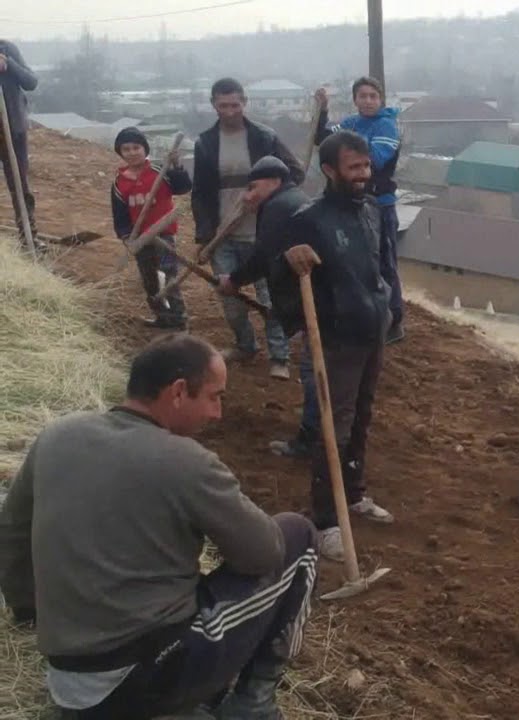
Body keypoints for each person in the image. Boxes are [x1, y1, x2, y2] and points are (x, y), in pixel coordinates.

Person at [0, 333, 319, 719]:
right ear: (179, 392)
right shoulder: (185, 461)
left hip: (69, 682)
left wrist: (28, 609)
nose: (217, 413)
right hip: (138, 683)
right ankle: (253, 703)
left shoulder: (57, 435)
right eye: (214, 396)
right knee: (297, 534)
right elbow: (265, 553)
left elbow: (12, 532)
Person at [274, 130, 396, 561]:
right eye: (354, 168)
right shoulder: (310, 220)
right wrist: (290, 267)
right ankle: (326, 521)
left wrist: (390, 311)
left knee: (361, 420)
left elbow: (383, 267)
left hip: (372, 332)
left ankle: (356, 493)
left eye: (366, 166)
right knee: (333, 430)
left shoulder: (371, 212)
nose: (363, 175)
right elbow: (281, 278)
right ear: (329, 171)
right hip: (337, 340)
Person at [192, 77, 303, 380]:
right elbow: (200, 194)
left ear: (244, 103)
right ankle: (245, 345)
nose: (229, 111)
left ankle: (279, 356)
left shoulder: (264, 137)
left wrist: (271, 196)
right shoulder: (205, 143)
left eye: (235, 104)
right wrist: (204, 235)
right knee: (230, 297)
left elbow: (295, 172)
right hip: (222, 234)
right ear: (213, 105)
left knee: (271, 299)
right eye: (223, 105)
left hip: (262, 233)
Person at [217, 156, 319, 460]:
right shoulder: (298, 199)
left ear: (273, 181)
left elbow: (263, 256)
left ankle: (310, 442)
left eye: (253, 187)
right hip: (321, 297)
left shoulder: (277, 207)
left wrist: (233, 281)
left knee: (314, 372)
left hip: (318, 303)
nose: (248, 196)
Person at [313, 77, 406, 345]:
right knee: (356, 261)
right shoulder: (351, 124)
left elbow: (373, 160)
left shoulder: (386, 126)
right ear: (355, 99)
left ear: (381, 99)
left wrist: (343, 155)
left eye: (372, 96)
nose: (367, 101)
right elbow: (325, 141)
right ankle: (364, 315)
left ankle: (394, 319)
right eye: (362, 96)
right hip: (350, 203)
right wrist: (322, 112)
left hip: (380, 204)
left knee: (385, 263)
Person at [111, 126, 192, 330]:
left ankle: (178, 318)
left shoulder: (160, 171)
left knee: (167, 274)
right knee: (149, 278)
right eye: (126, 149)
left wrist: (176, 166)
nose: (132, 152)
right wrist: (126, 236)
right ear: (120, 152)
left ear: (145, 149)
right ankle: (161, 316)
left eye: (136, 147)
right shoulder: (119, 183)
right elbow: (120, 216)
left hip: (164, 237)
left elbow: (183, 187)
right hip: (140, 239)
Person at [0, 38, 42, 252]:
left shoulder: (6, 48)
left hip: (12, 128)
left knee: (19, 184)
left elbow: (31, 82)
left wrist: (8, 64)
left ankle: (28, 235)